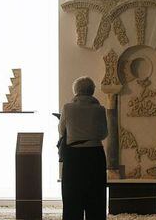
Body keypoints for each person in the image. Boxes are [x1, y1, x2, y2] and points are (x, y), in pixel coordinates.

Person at [58, 76, 108, 219]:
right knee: (96, 196)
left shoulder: (67, 108)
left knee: (72, 197)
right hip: (95, 154)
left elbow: (62, 131)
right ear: (92, 91)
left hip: (73, 155)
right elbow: (104, 134)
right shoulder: (100, 109)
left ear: (76, 91)